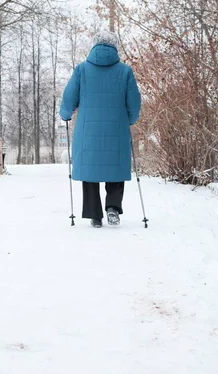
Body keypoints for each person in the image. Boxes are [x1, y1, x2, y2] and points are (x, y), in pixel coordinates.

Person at [59, 30, 141, 228]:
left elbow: (69, 97)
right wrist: (130, 119)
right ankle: (112, 207)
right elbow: (134, 102)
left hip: (88, 131)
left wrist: (65, 114)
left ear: (94, 46)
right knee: (115, 166)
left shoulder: (81, 69)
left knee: (90, 169)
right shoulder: (125, 71)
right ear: (115, 47)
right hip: (116, 128)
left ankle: (95, 215)